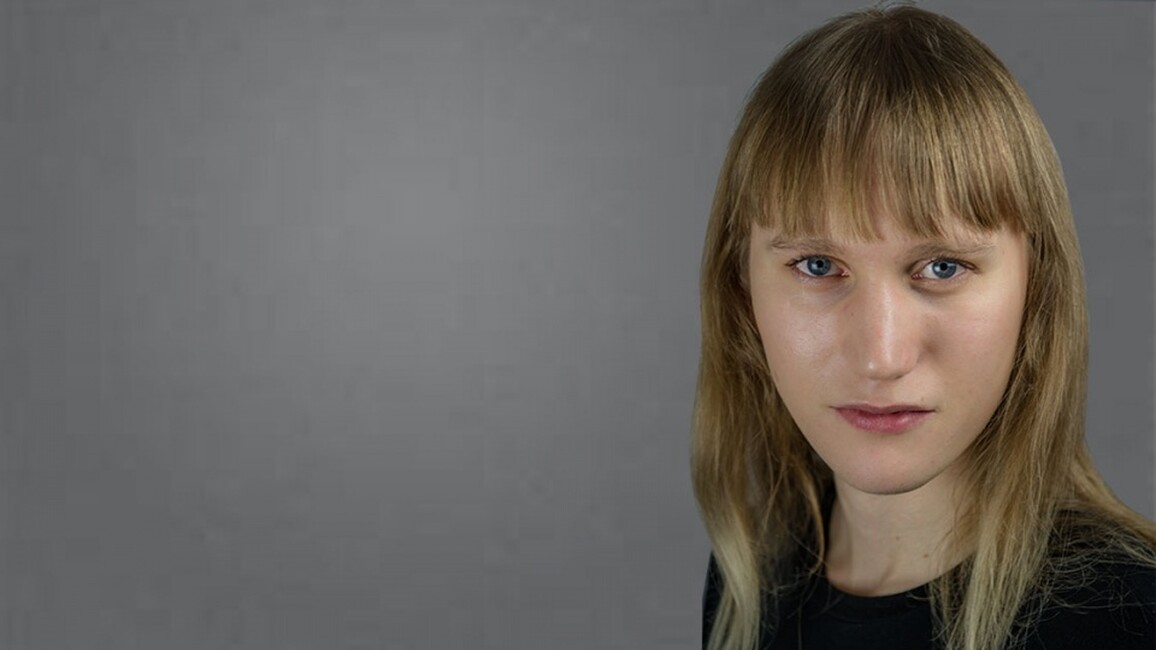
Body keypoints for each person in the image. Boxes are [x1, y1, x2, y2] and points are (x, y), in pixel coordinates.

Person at [691, 5, 1156, 650]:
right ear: (742, 293)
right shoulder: (751, 578)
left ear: (1036, 289)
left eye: (942, 266)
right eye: (818, 265)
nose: (882, 357)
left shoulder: (1128, 619)